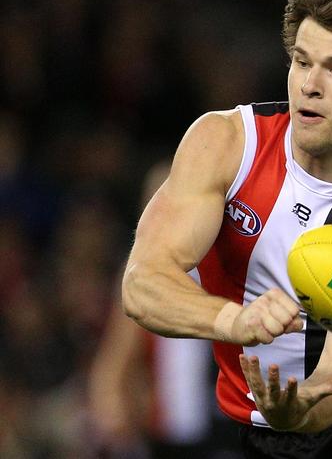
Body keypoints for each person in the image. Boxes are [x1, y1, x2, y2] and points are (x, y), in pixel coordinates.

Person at [122, 0, 332, 459]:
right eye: (301, 62)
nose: (310, 86)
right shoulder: (226, 144)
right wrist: (233, 320)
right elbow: (142, 285)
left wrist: (298, 412)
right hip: (252, 416)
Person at [89, 160, 225, 459]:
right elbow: (115, 363)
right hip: (173, 436)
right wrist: (114, 412)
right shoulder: (143, 274)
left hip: (236, 428)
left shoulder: (235, 261)